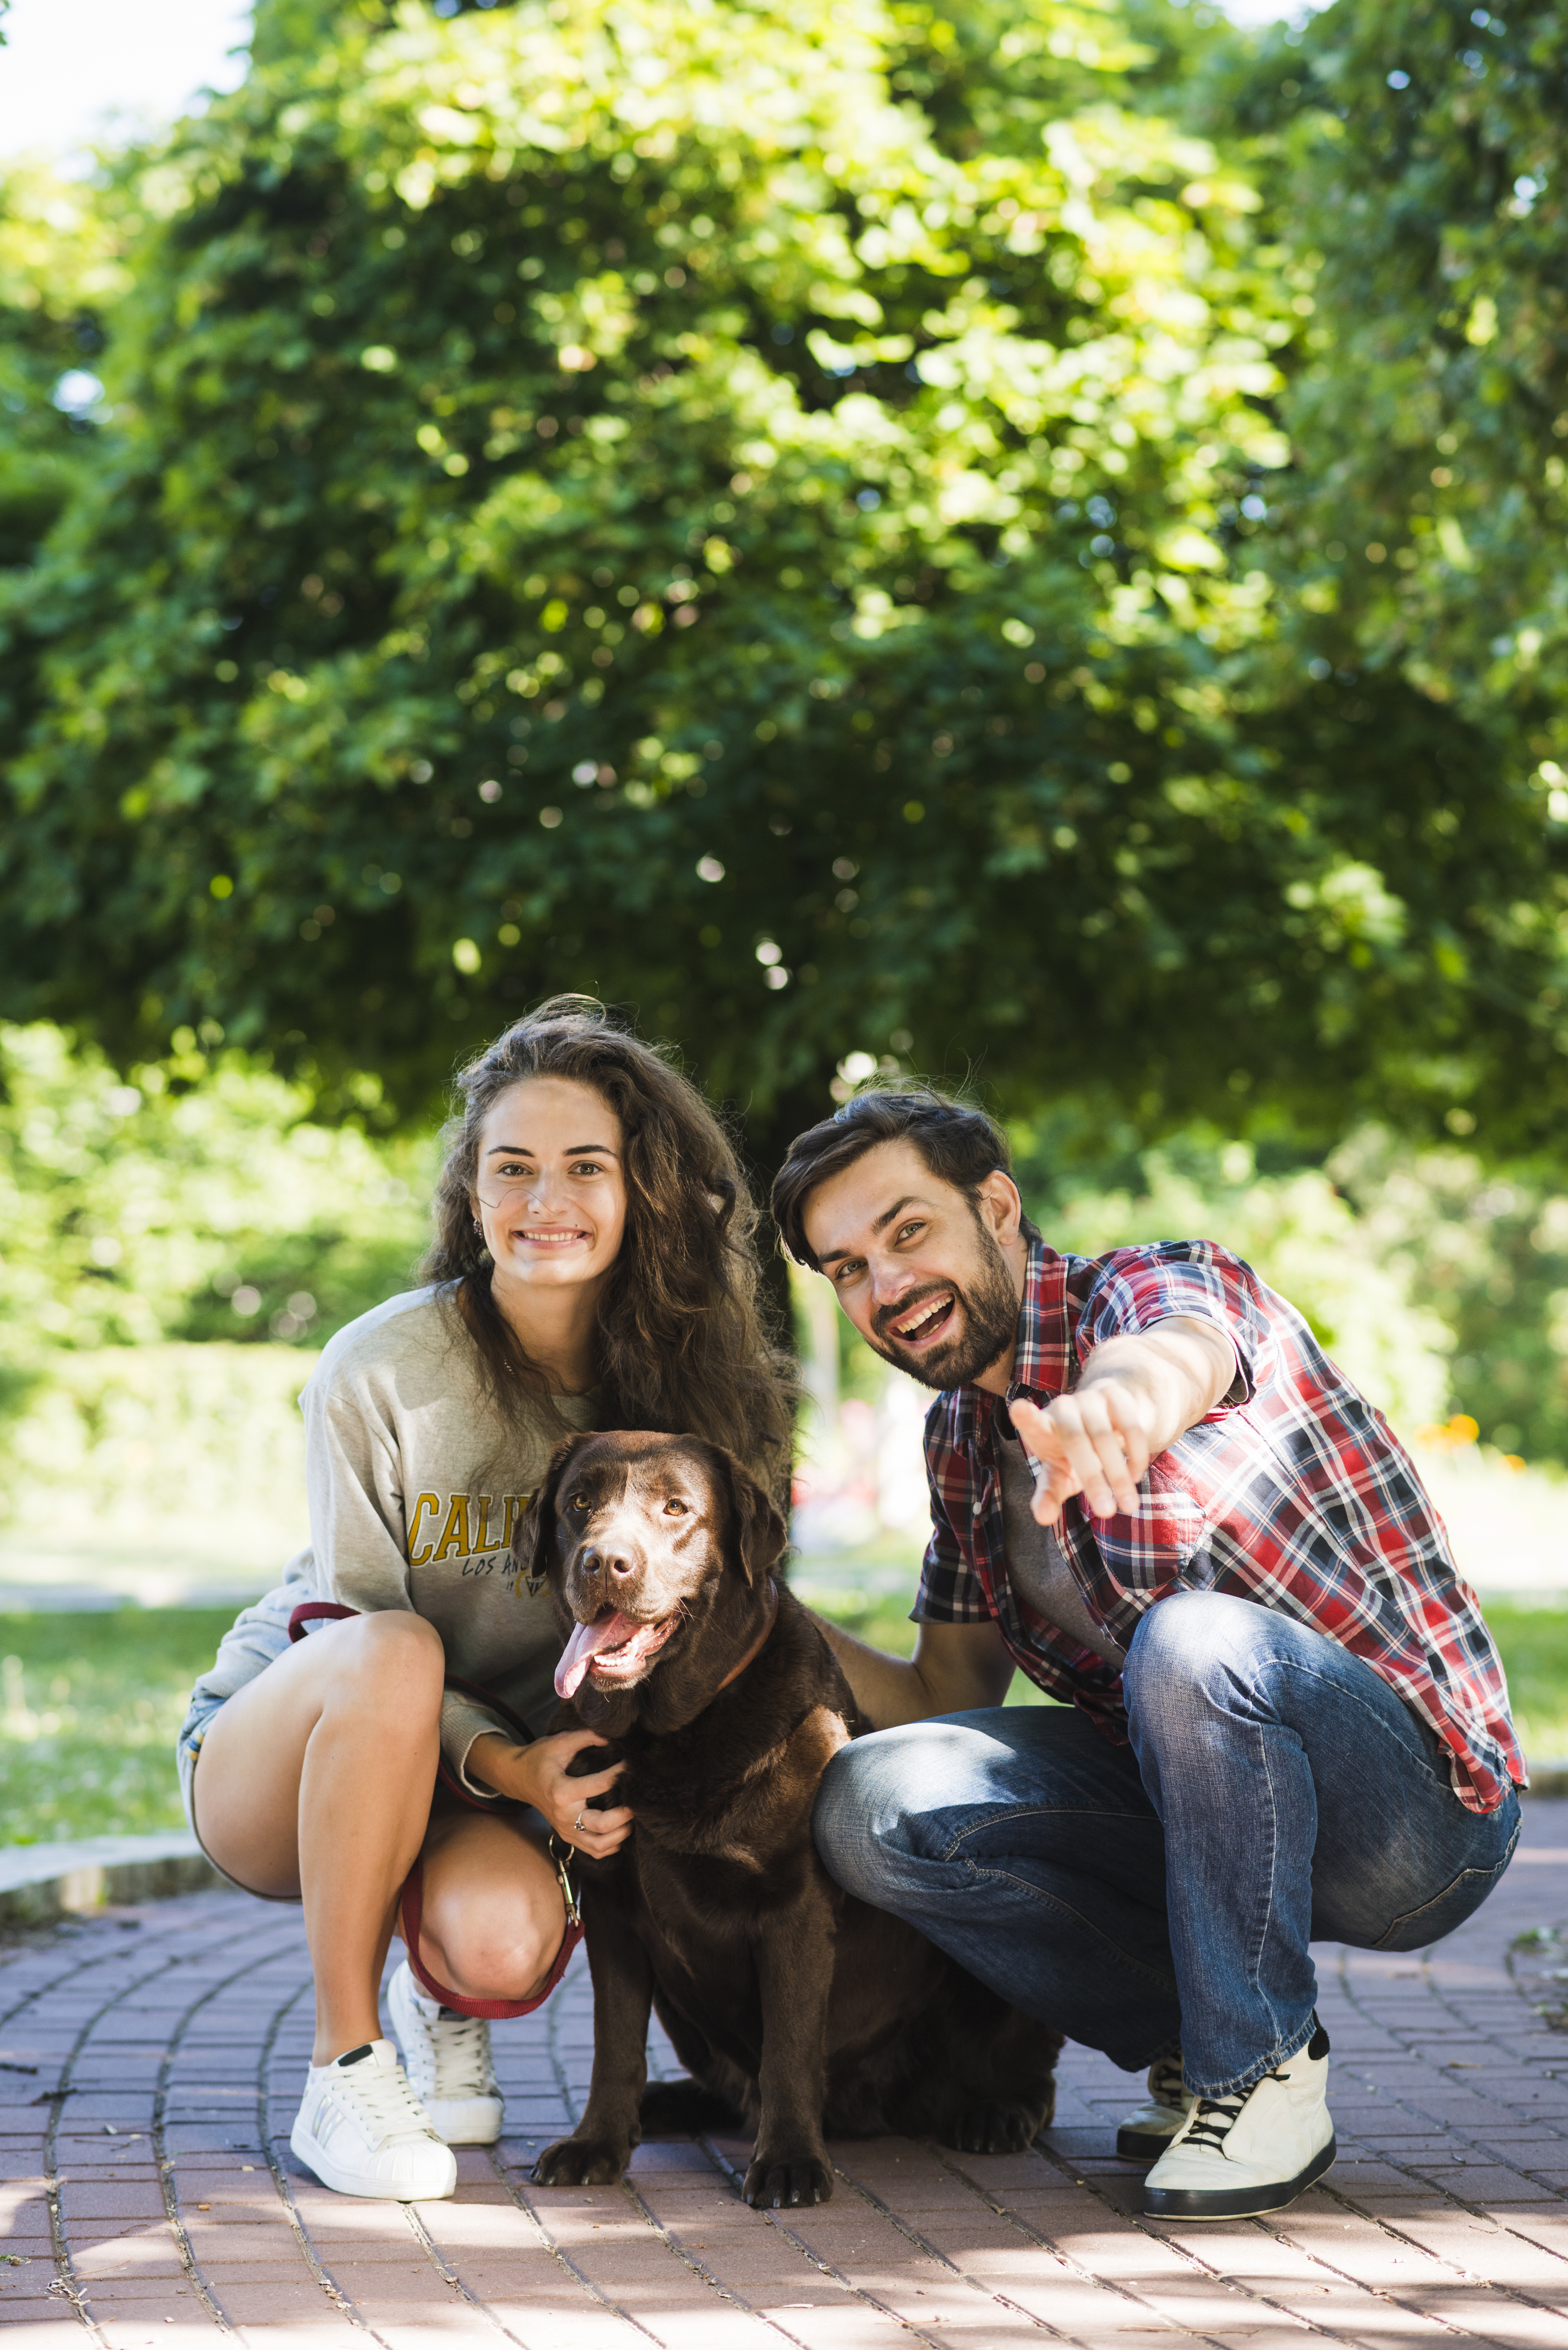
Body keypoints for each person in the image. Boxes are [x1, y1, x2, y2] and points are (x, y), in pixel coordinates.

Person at [771, 1088, 1522, 2221]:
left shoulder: (1157, 1285)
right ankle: (1203, 2032)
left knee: (1193, 1636)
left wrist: (1115, 1407)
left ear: (999, 1204)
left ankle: (1257, 2069)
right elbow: (941, 1695)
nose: (885, 1286)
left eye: (908, 1231)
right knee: (873, 1804)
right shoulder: (966, 1443)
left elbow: (1181, 1352)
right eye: (846, 1267)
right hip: (1202, 1815)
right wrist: (753, 1613)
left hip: (1419, 1809)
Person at [178, 997, 790, 2202]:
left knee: (501, 1949)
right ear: (471, 1193)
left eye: (583, 1168)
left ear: (644, 1192)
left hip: (501, 1778)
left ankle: (427, 1973)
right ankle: (342, 2068)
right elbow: (346, 1632)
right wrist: (517, 1771)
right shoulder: (381, 1368)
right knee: (396, 1650)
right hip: (289, 1749)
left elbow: (737, 1616)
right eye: (510, 1169)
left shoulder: (704, 1391)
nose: (542, 1200)